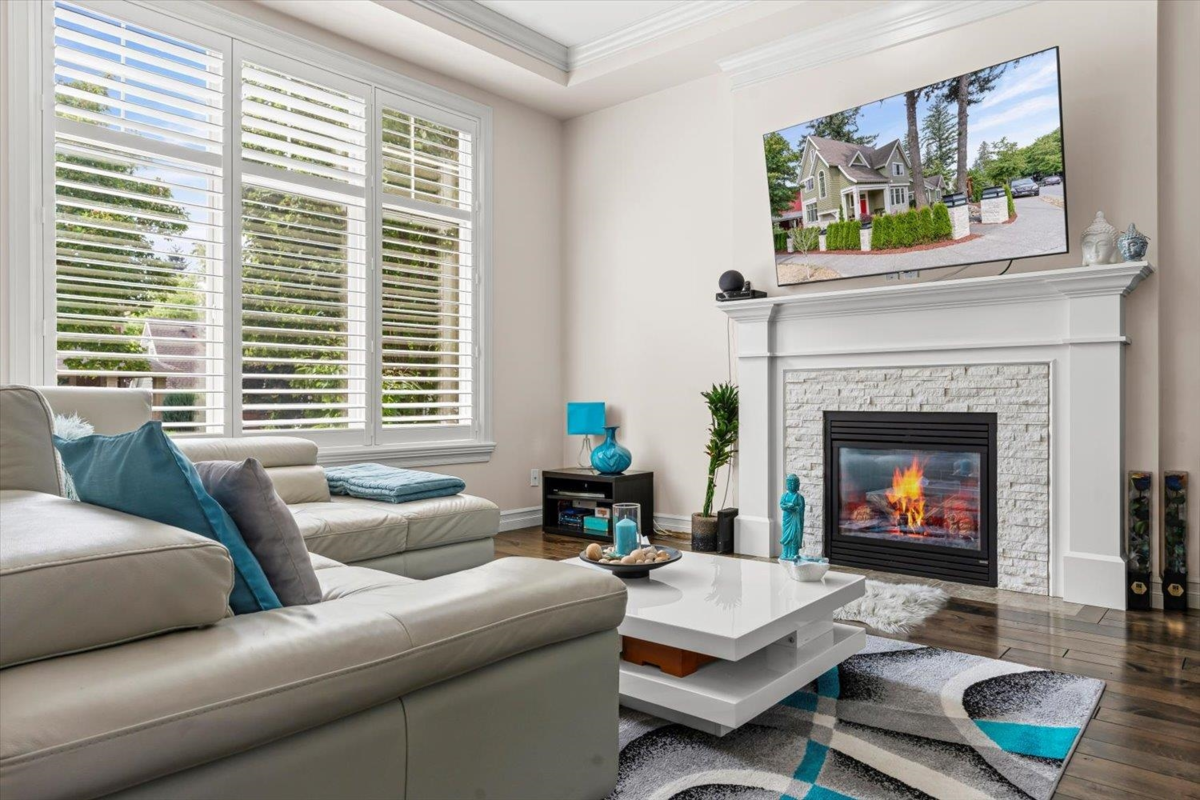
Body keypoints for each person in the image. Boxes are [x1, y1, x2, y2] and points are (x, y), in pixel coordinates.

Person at [779, 473, 805, 560]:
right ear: (787, 485)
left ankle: (794, 554)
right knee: (786, 537)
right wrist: (787, 507)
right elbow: (782, 505)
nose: (792, 485)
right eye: (790, 483)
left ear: (798, 485)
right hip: (787, 519)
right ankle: (785, 553)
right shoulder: (785, 496)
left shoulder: (799, 497)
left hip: (795, 520)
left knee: (794, 536)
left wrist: (794, 508)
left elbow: (801, 508)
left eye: (794, 483)